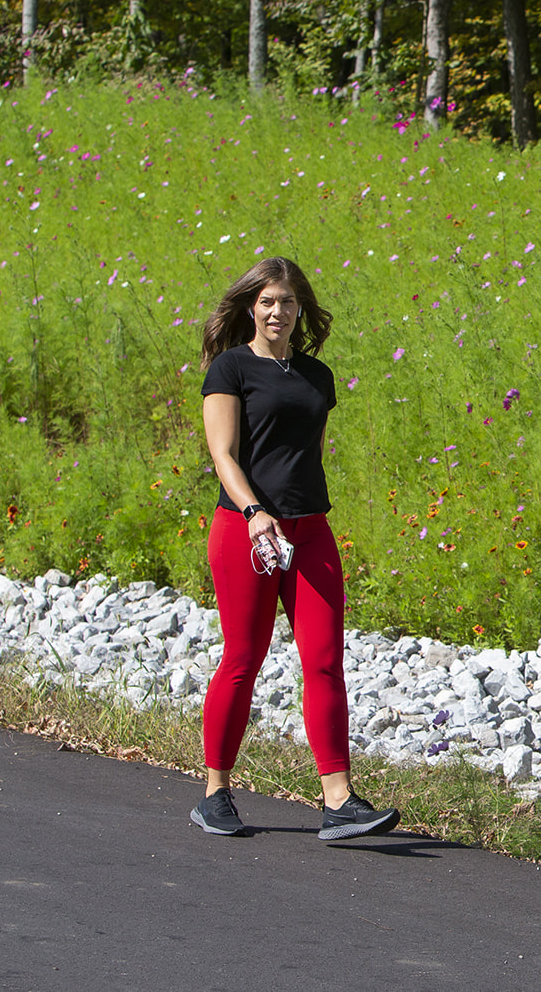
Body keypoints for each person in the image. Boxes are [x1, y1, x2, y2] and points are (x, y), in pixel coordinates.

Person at [191, 257, 399, 842]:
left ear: (299, 307)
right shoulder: (230, 368)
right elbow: (224, 455)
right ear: (250, 308)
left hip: (310, 532)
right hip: (246, 532)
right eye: (266, 302)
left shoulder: (317, 376)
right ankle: (215, 792)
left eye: (286, 301)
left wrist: (295, 514)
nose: (277, 311)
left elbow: (306, 452)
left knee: (325, 660)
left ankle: (338, 800)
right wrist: (256, 514)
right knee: (243, 659)